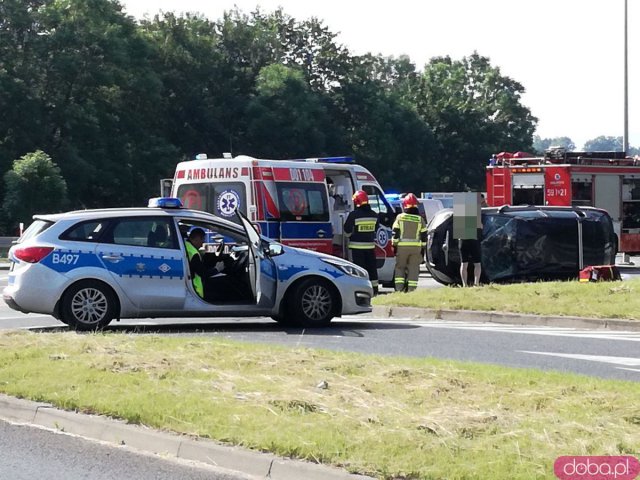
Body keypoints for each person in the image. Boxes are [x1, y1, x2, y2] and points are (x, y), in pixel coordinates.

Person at [343, 190, 379, 295]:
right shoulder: (374, 215)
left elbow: (347, 231)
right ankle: (375, 289)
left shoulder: (353, 215)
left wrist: (350, 235)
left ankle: (362, 289)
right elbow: (375, 229)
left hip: (357, 248)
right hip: (370, 247)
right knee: (372, 268)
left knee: (360, 270)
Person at [391, 193, 427, 292]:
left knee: (400, 268)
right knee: (414, 269)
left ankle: (399, 289)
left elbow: (395, 233)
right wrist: (423, 249)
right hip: (416, 249)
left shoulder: (400, 217)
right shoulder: (420, 219)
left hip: (402, 248)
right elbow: (424, 235)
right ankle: (411, 290)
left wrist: (394, 245)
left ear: (405, 205)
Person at [185, 227, 224, 299]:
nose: (203, 243)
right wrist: (217, 269)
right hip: (195, 289)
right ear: (196, 239)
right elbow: (203, 273)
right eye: (202, 239)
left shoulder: (187, 246)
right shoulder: (193, 253)